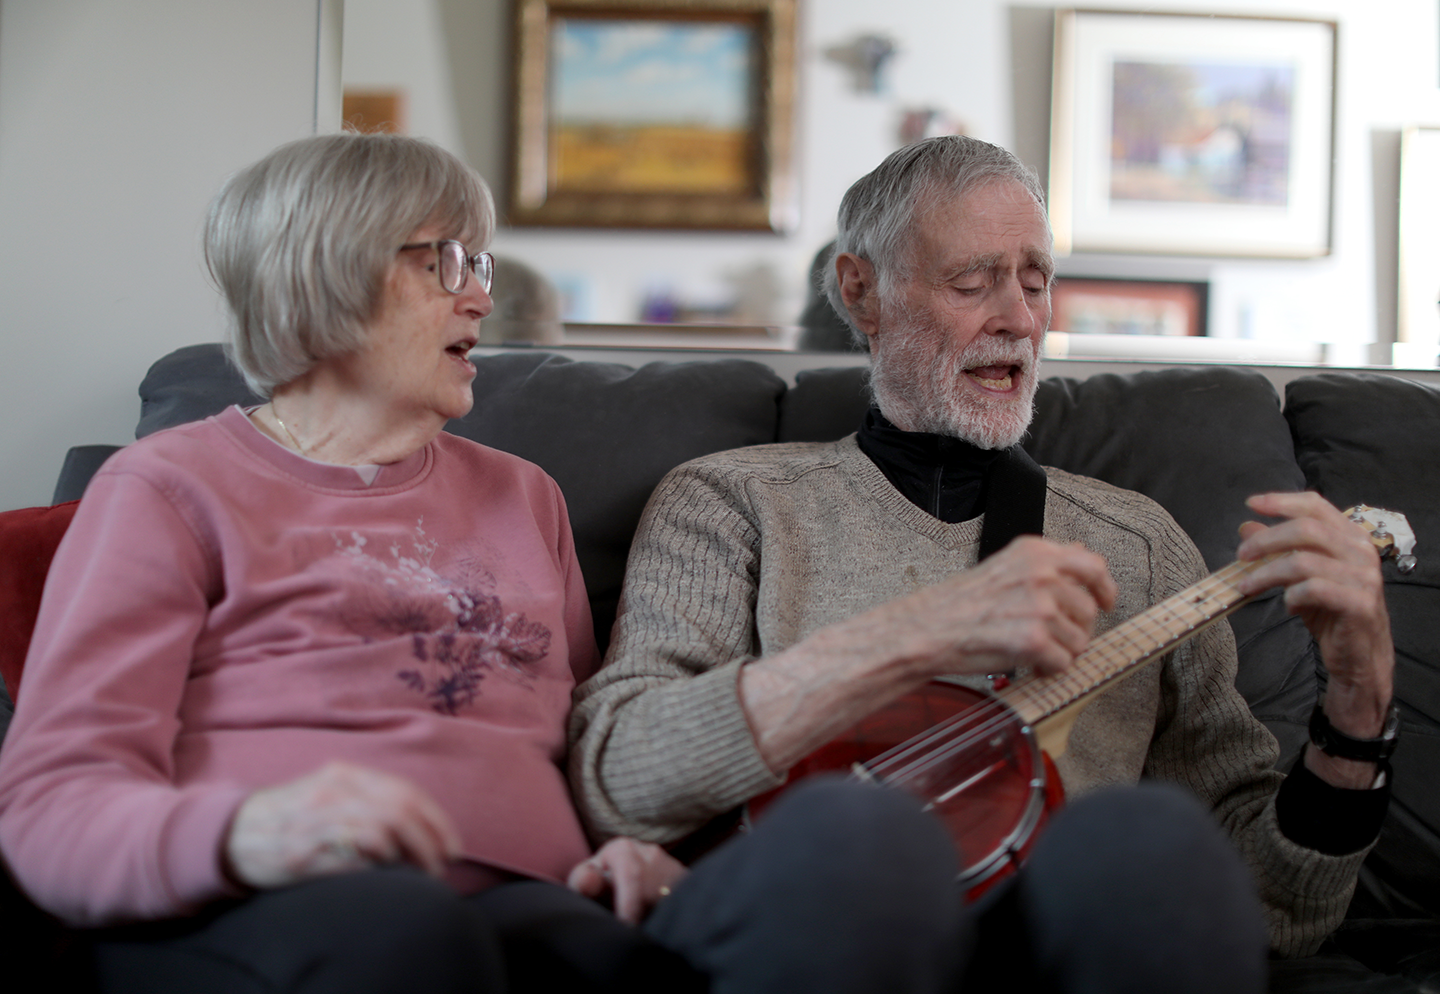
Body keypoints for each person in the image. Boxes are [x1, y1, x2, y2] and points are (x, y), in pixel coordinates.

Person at [0, 133, 970, 994]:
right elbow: (55, 799)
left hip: (524, 902)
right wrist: (244, 832)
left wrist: (629, 844)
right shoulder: (170, 486)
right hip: (260, 907)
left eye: (483, 260)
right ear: (322, 277)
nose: (483, 292)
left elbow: (585, 745)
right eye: (446, 261)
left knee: (805, 866)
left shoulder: (522, 494)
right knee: (406, 932)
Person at [570, 136, 1395, 981]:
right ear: (864, 292)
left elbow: (1278, 907)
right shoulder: (731, 502)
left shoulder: (1140, 544)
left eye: (1035, 282)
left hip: (1060, 945)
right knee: (858, 836)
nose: (1018, 318)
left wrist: (1359, 705)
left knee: (1153, 842)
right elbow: (621, 781)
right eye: (973, 282)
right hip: (837, 920)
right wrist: (915, 633)